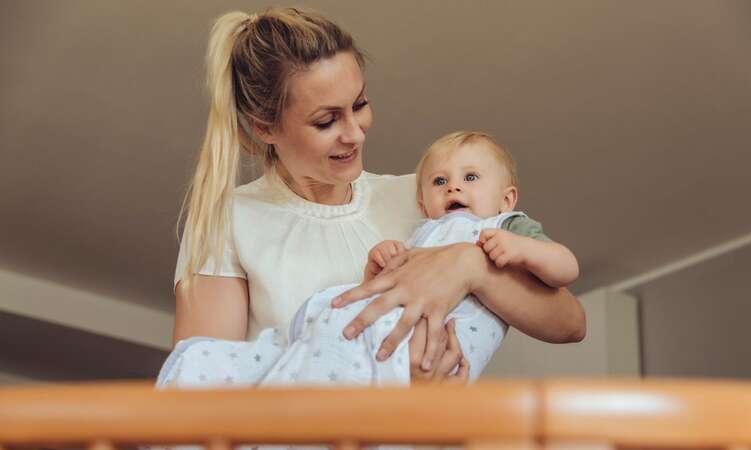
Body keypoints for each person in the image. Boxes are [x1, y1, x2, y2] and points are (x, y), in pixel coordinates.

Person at [173, 6, 585, 385]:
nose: (354, 132)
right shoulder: (229, 220)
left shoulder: (430, 198)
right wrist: (385, 386)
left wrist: (470, 265)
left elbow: (569, 322)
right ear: (265, 128)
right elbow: (206, 401)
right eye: (326, 120)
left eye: (360, 104)